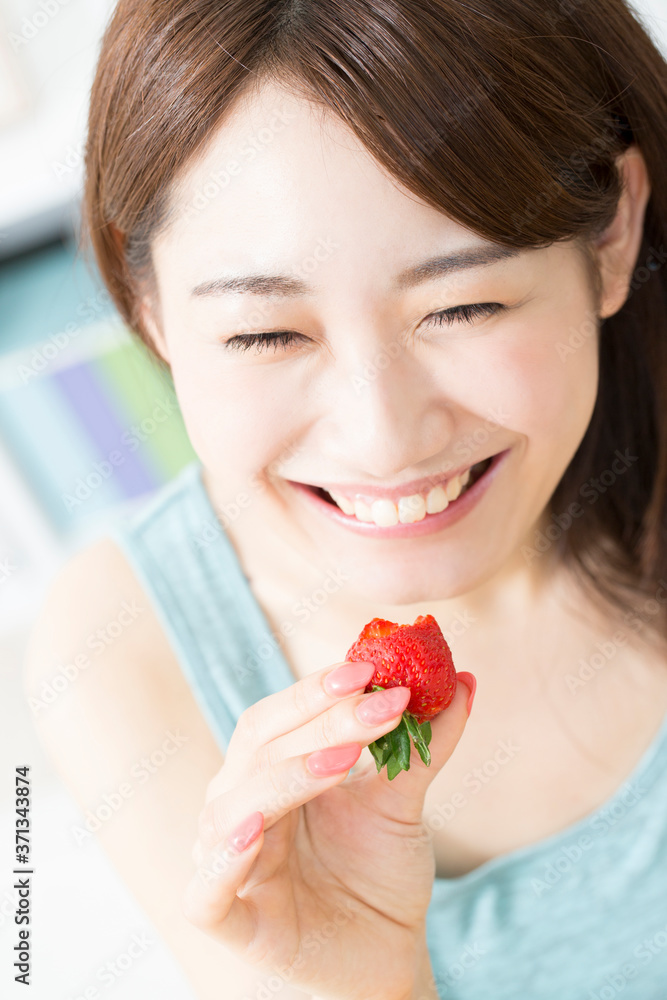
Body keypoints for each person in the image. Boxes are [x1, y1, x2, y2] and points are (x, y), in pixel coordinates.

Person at [25, 1, 667, 997]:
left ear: (612, 232)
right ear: (149, 306)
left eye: (463, 306)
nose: (383, 439)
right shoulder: (122, 645)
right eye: (266, 334)